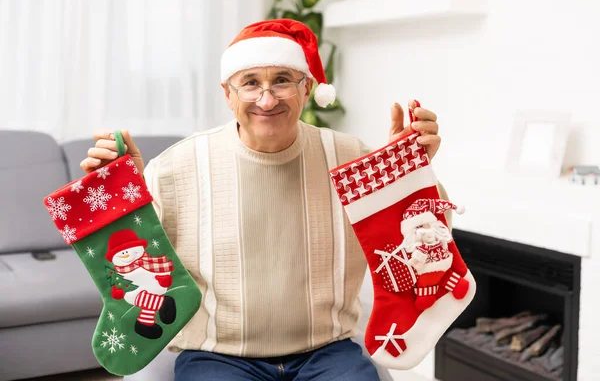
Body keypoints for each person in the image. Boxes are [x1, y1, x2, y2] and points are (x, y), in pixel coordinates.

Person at [81, 19, 445, 381]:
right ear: (228, 94)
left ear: (307, 89)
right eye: (251, 83)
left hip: (329, 350)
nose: (267, 99)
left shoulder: (350, 157)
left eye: (282, 80)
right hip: (218, 355)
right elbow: (135, 259)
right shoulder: (177, 166)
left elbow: (426, 242)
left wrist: (411, 174)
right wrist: (123, 192)